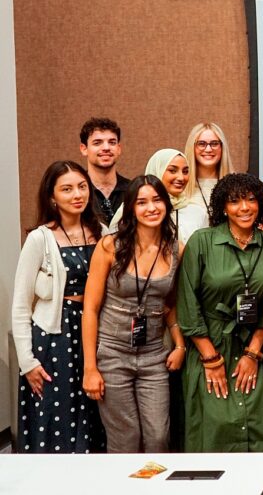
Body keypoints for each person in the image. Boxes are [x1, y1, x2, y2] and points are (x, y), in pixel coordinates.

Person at [176, 173, 263, 452]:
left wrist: (252, 353)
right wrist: (211, 359)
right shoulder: (202, 242)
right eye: (235, 202)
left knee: (260, 428)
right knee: (213, 430)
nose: (244, 208)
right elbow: (188, 304)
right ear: (223, 207)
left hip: (253, 347)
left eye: (250, 200)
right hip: (208, 347)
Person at [81, 175, 186, 452]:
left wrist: (180, 344)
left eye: (157, 200)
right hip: (112, 352)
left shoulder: (177, 248)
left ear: (166, 204)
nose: (151, 208)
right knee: (124, 440)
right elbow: (90, 309)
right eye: (142, 202)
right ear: (131, 209)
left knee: (158, 438)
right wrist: (90, 368)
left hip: (153, 354)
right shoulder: (109, 246)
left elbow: (171, 304)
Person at [12, 161, 106, 452]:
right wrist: (27, 361)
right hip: (55, 339)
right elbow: (20, 306)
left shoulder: (102, 232)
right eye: (67, 189)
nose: (77, 194)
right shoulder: (40, 238)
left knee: (95, 417)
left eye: (81, 187)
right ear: (52, 197)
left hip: (97, 333)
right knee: (58, 419)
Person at [108, 148, 209, 244]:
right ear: (157, 170)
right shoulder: (132, 208)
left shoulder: (197, 213)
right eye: (172, 170)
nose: (181, 177)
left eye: (185, 171)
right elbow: (115, 246)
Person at [79, 117, 129, 226]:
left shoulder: (133, 190)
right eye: (97, 143)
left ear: (119, 148)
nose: (106, 147)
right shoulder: (77, 192)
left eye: (112, 142)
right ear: (84, 149)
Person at [183, 122, 235, 215]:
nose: (208, 149)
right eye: (201, 144)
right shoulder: (181, 187)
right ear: (192, 147)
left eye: (214, 143)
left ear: (222, 147)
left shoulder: (236, 186)